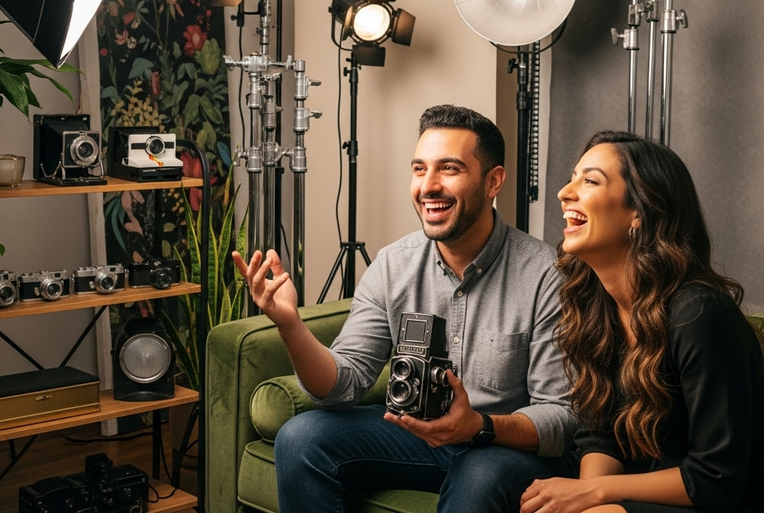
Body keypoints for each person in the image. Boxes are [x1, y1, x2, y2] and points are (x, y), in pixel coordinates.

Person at [233, 104, 577, 512]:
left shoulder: (544, 274)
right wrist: (289, 323)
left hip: (501, 445)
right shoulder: (393, 264)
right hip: (417, 437)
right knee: (300, 437)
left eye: (449, 169)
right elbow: (342, 386)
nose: (428, 186)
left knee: (479, 476)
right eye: (419, 169)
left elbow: (561, 417)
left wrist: (478, 427)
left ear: (493, 181)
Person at [521, 130, 764, 513]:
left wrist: (595, 494)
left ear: (640, 211)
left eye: (590, 180)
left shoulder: (700, 314)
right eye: (572, 177)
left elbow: (715, 477)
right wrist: (584, 499)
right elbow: (599, 434)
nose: (564, 193)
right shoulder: (596, 305)